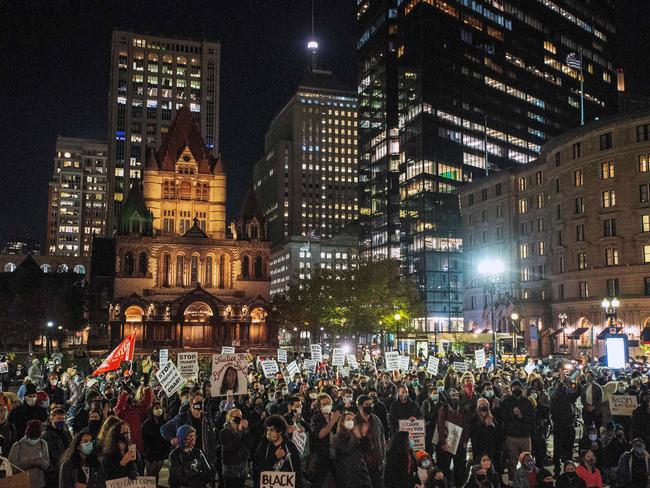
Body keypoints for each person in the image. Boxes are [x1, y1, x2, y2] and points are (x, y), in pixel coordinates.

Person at [254, 415, 303, 488]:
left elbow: (297, 469)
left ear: (280, 431)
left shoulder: (290, 446)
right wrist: (275, 457)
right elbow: (257, 468)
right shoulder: (263, 446)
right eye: (268, 429)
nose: (269, 432)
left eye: (272, 429)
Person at [502, 380, 535, 484]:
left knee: (527, 460)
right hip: (512, 437)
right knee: (512, 462)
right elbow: (503, 418)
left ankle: (528, 481)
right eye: (514, 388)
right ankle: (513, 482)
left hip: (525, 436)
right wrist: (513, 414)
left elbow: (531, 418)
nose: (517, 389)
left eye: (518, 387)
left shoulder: (527, 402)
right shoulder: (506, 402)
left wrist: (521, 415)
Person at [436, 388, 470, 487]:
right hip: (448, 443)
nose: (455, 397)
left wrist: (465, 441)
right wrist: (442, 442)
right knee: (445, 468)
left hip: (460, 443)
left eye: (456, 395)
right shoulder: (444, 409)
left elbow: (466, 426)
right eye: (452, 395)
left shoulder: (462, 409)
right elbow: (440, 426)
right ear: (448, 397)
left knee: (460, 468)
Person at [355, 394, 386, 488]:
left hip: (376, 461)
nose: (370, 406)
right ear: (360, 407)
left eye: (371, 404)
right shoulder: (354, 422)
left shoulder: (376, 420)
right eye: (367, 404)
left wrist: (382, 458)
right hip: (361, 463)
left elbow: (381, 439)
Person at [308, 393, 339, 488]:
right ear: (319, 407)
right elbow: (320, 435)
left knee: (339, 480)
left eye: (328, 403)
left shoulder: (336, 416)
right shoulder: (315, 419)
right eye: (324, 404)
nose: (327, 405)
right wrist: (332, 421)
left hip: (336, 454)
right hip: (321, 455)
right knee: (318, 481)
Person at [334, 411, 372, 488]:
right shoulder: (338, 437)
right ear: (342, 423)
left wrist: (363, 436)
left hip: (361, 472)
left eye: (352, 420)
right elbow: (346, 449)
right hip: (347, 474)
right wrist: (355, 436)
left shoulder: (357, 435)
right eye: (348, 419)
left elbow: (367, 449)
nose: (351, 422)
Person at [8, 419, 50, 488]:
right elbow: (11, 468)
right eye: (32, 437)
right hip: (22, 484)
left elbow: (47, 465)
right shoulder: (18, 446)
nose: (34, 440)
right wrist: (30, 463)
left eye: (36, 438)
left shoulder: (43, 444)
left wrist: (41, 462)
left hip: (40, 484)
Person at [114, 384, 152, 453]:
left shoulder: (137, 410)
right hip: (125, 444)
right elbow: (118, 409)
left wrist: (147, 390)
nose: (131, 397)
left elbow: (146, 404)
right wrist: (124, 394)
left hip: (138, 444)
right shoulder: (122, 412)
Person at [219, 408, 250, 488]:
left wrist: (246, 430)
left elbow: (249, 443)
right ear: (230, 417)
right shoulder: (224, 431)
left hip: (242, 468)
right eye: (236, 415)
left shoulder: (243, 430)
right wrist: (240, 431)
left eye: (240, 415)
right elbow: (232, 447)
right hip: (230, 469)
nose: (239, 417)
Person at [41, 408, 71, 488]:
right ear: (51, 418)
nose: (61, 421)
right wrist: (52, 471)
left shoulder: (65, 429)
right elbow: (46, 455)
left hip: (66, 468)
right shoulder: (46, 435)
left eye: (63, 418)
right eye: (58, 418)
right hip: (54, 473)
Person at [141, 401, 170, 484]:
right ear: (152, 410)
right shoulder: (146, 424)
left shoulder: (164, 423)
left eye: (160, 408)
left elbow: (166, 439)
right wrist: (148, 453)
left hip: (160, 454)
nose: (159, 410)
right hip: (150, 455)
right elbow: (144, 440)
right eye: (156, 408)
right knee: (150, 476)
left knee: (156, 474)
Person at [471, 397, 501, 464]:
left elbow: (498, 433)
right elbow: (473, 435)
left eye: (485, 404)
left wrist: (491, 425)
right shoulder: (474, 418)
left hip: (493, 450)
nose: (483, 406)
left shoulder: (493, 417)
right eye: (481, 405)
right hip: (479, 451)